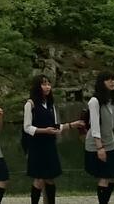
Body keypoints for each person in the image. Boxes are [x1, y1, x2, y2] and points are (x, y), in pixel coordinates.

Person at [24, 75, 84, 204]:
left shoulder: (51, 104)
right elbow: (27, 127)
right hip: (37, 145)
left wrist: (72, 125)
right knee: (39, 179)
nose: (47, 87)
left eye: (49, 84)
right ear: (37, 86)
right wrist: (44, 130)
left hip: (50, 144)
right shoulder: (30, 104)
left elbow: (56, 126)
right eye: (44, 84)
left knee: (50, 178)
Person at [85, 71, 114, 204]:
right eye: (108, 80)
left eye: (113, 79)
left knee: (113, 175)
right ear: (101, 83)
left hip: (110, 141)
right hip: (95, 143)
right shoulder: (95, 101)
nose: (112, 82)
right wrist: (100, 147)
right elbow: (95, 125)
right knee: (104, 176)